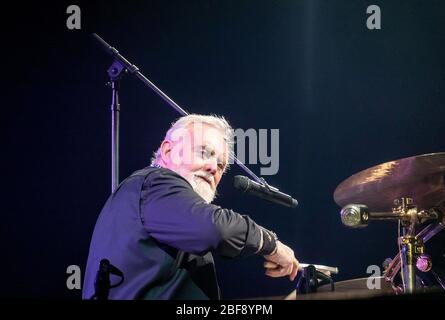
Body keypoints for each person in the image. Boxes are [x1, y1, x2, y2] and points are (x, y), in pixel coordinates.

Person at [82, 114, 300, 300]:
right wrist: (271, 244)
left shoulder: (170, 207)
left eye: (221, 165)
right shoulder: (155, 182)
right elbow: (217, 229)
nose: (213, 167)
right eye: (204, 152)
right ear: (168, 152)